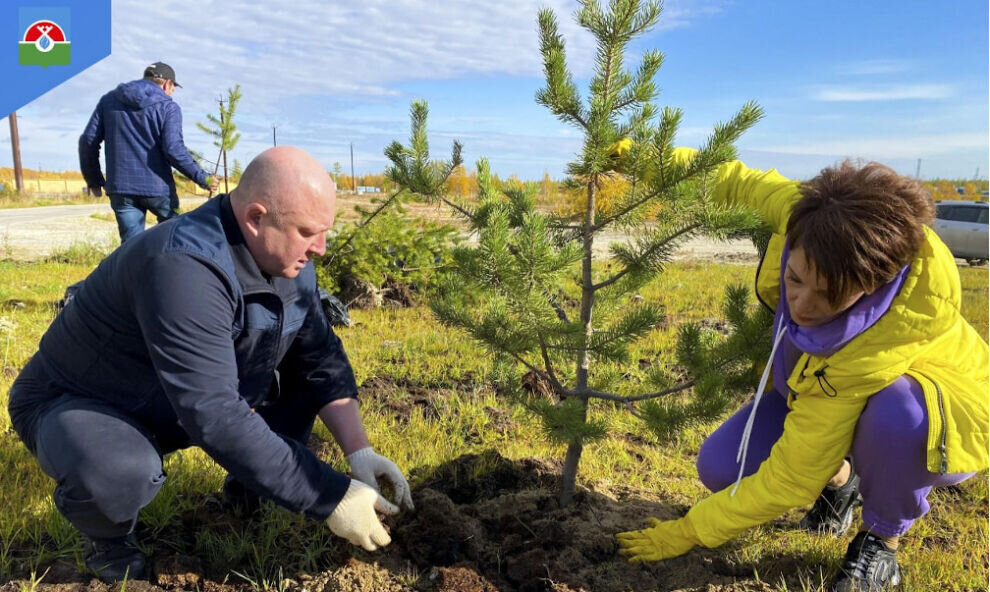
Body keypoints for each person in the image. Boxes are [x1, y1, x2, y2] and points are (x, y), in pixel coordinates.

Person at [9, 146, 413, 583]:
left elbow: (321, 359)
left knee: (297, 378)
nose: (321, 248)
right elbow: (214, 412)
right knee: (121, 470)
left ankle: (251, 491)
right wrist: (329, 495)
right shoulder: (182, 266)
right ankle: (107, 539)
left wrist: (359, 452)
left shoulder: (290, 261)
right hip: (86, 404)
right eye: (307, 232)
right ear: (256, 218)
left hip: (175, 399)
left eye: (326, 232)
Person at [617, 148, 988, 591]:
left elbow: (791, 477)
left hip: (940, 424)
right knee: (721, 467)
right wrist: (639, 154)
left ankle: (881, 541)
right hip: (819, 396)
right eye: (795, 279)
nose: (803, 305)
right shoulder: (809, 215)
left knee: (896, 415)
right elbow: (732, 178)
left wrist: (691, 530)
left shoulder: (878, 345)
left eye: (830, 293)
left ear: (873, 283)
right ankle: (843, 480)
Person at [79, 61, 220, 242]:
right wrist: (203, 178)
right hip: (158, 189)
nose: (172, 93)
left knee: (131, 248)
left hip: (121, 187)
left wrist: (94, 180)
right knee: (173, 241)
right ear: (167, 84)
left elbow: (88, 141)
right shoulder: (168, 107)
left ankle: (134, 270)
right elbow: (173, 149)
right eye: (173, 88)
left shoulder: (109, 101)